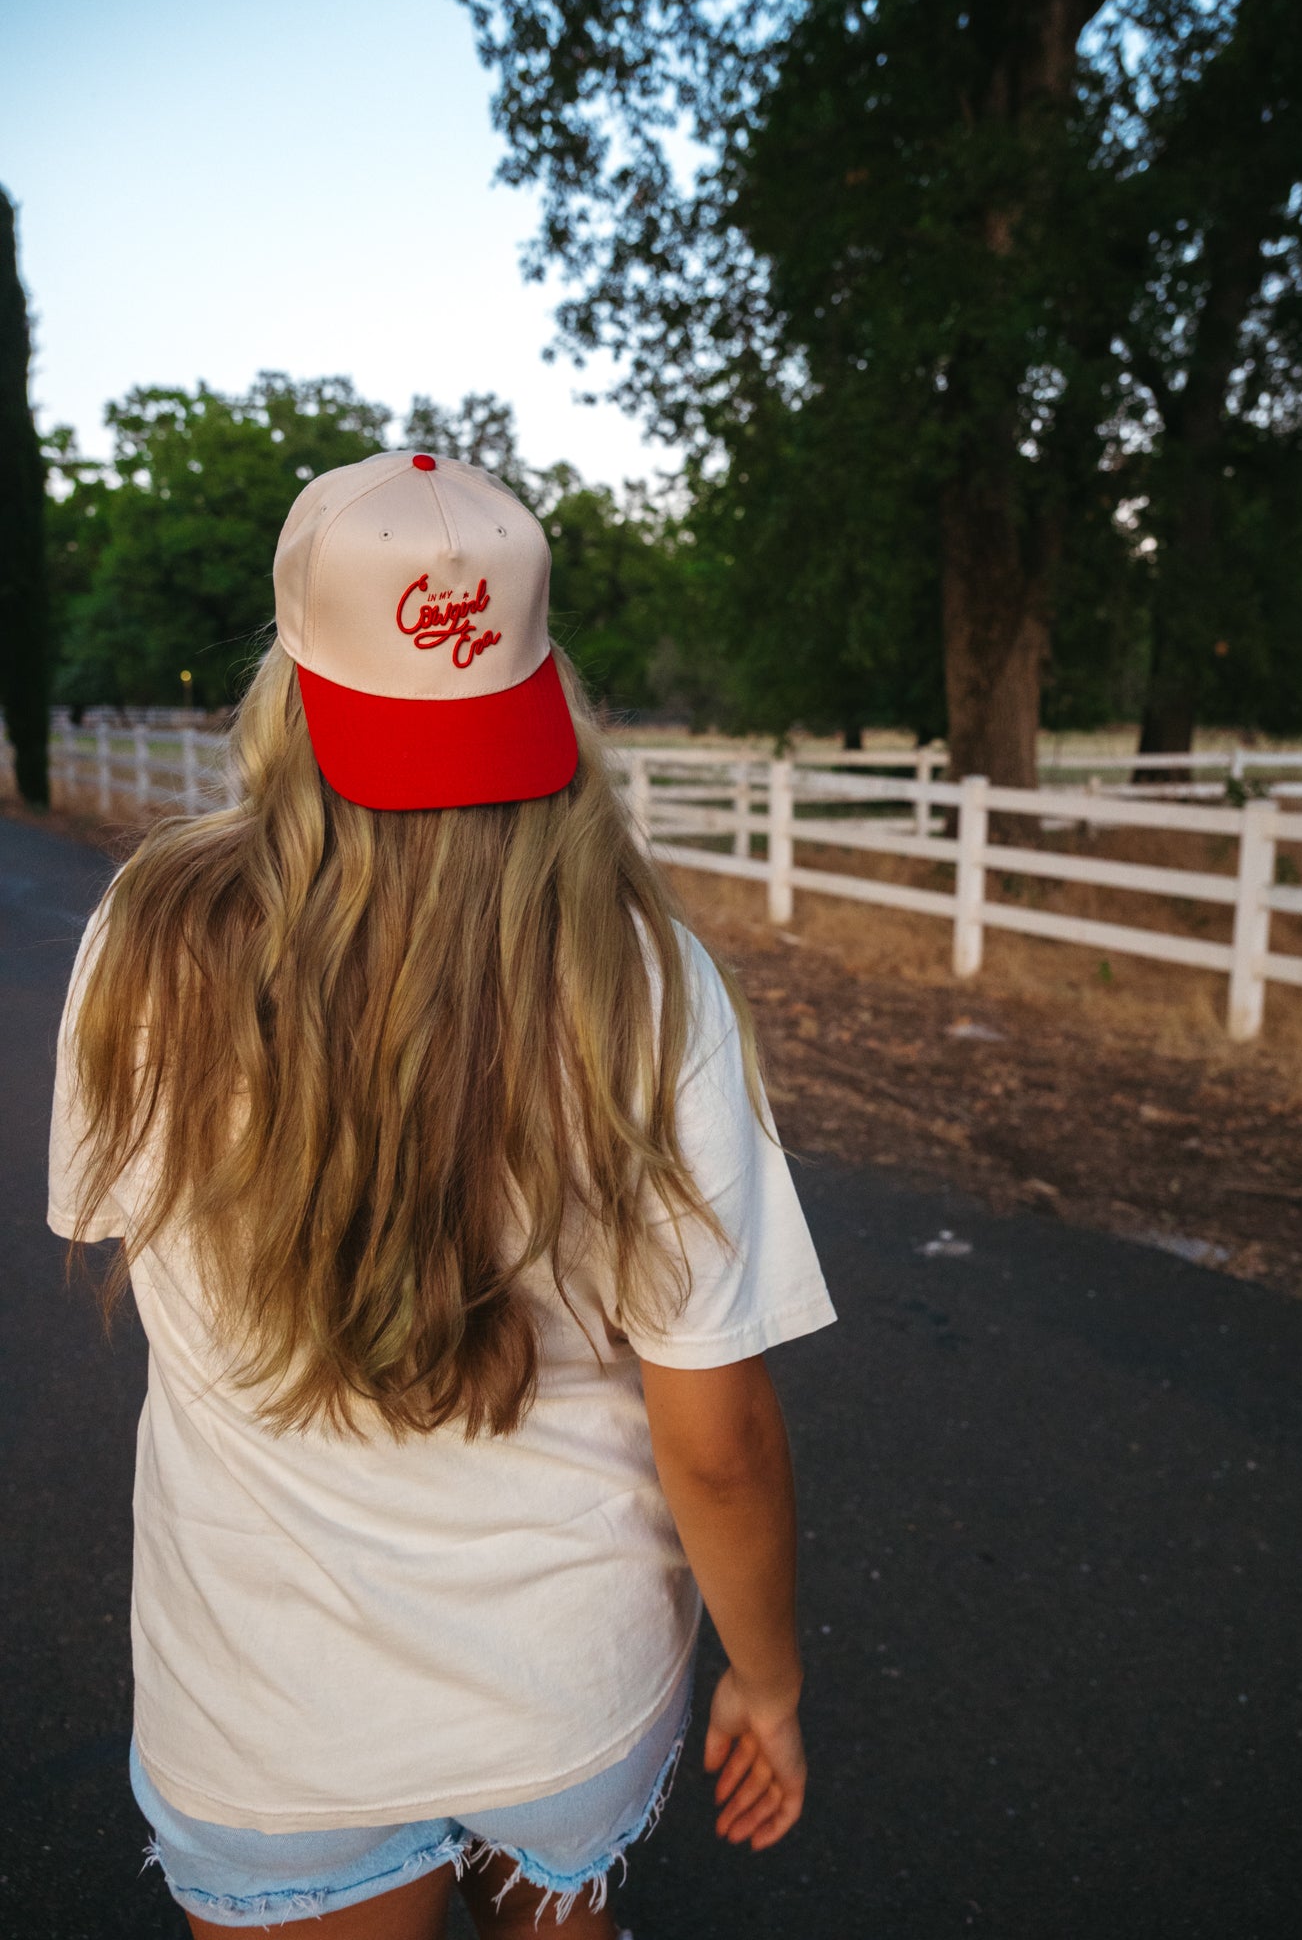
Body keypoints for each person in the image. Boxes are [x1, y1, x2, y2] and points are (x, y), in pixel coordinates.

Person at [48, 451, 836, 1939]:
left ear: (288, 668)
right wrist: (769, 1677)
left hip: (273, 1711)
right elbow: (717, 1438)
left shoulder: (150, 936)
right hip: (564, 1685)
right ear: (540, 688)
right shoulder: (648, 976)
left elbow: (116, 1218)